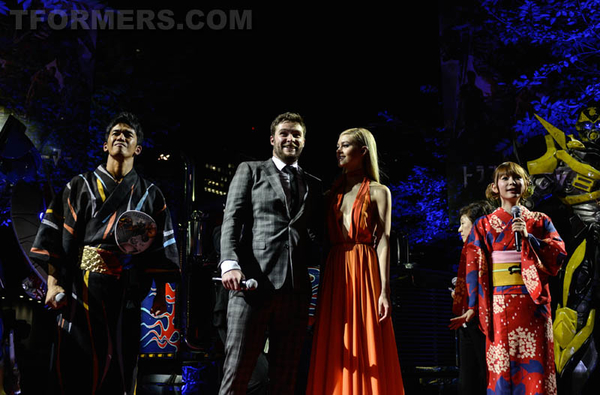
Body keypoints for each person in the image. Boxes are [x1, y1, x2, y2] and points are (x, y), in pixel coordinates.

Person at [29, 112, 180, 394]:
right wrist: (53, 283)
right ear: (105, 145)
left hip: (127, 293)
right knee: (75, 365)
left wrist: (161, 294)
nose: (120, 137)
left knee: (120, 365)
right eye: (115, 134)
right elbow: (52, 239)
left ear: (138, 149)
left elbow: (161, 249)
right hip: (81, 289)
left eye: (128, 135)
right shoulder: (79, 186)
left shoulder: (151, 195)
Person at [218, 112, 323, 395]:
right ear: (273, 139)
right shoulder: (250, 170)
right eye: (285, 133)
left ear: (303, 141)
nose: (291, 138)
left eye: (297, 134)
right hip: (253, 284)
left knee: (285, 380)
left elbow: (317, 236)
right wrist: (229, 263)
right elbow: (232, 219)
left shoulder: (314, 183)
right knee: (237, 374)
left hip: (296, 291)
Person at [451, 161, 567, 394]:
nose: (511, 183)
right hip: (499, 304)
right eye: (504, 178)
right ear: (494, 187)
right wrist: (472, 305)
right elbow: (473, 267)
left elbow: (558, 254)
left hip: (532, 305)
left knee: (537, 371)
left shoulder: (540, 220)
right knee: (502, 370)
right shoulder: (483, 225)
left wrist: (530, 238)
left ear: (526, 186)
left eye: (517, 178)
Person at [305, 127, 404, 394]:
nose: (338, 150)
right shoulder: (330, 195)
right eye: (337, 145)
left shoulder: (379, 191)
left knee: (365, 334)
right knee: (336, 337)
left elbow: (383, 240)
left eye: (345, 145)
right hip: (335, 270)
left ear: (363, 151)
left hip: (365, 267)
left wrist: (385, 290)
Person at [449, 200, 493, 395]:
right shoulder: (467, 251)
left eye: (463, 223)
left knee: (484, 376)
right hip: (467, 323)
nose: (459, 229)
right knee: (467, 380)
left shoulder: (488, 252)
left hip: (483, 321)